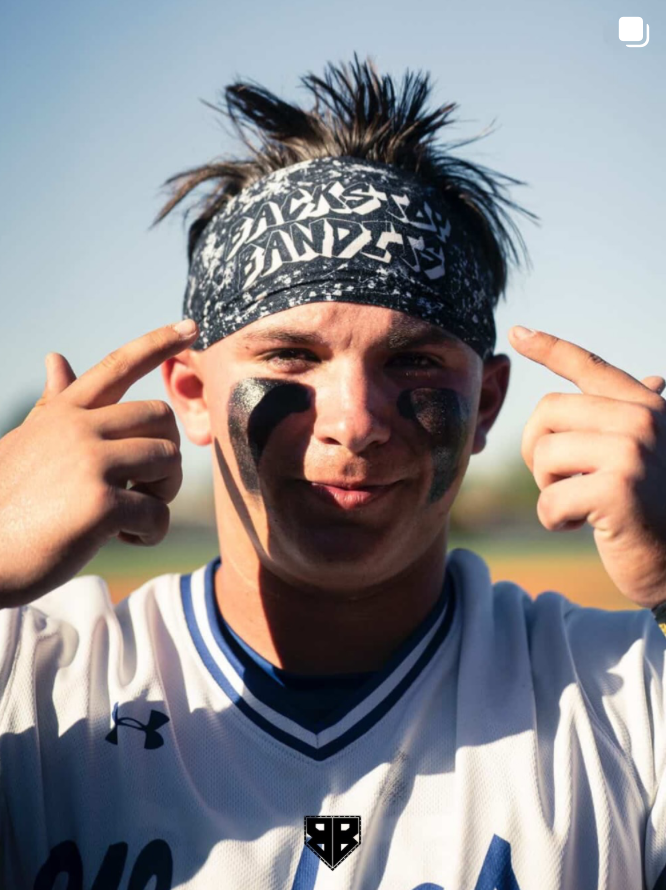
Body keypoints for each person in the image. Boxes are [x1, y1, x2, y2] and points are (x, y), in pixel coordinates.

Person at [1, 56, 666, 890]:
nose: (355, 422)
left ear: (487, 402)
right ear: (192, 394)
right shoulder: (37, 681)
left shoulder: (620, 695)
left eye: (415, 361)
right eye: (289, 354)